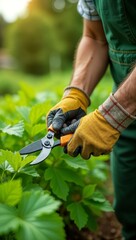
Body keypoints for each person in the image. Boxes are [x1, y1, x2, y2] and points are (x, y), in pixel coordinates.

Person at [47, 1, 136, 239]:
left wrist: (112, 116)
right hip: (129, 117)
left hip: (124, 109)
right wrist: (76, 93)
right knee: (130, 210)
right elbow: (95, 37)